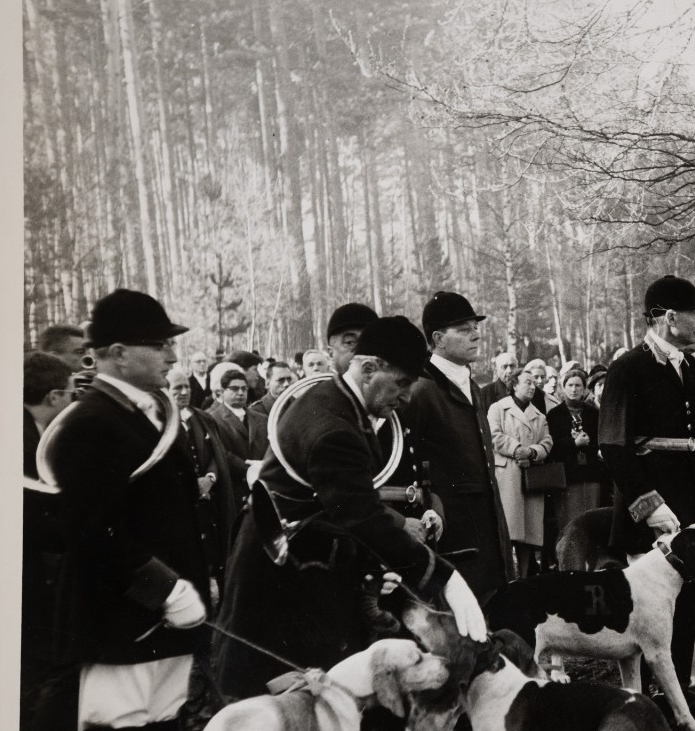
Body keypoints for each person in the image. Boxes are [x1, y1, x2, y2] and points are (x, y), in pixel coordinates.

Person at [213, 316, 488, 701]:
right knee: (280, 701)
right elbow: (360, 515)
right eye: (402, 384)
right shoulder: (335, 428)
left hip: (301, 562)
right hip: (279, 573)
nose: (407, 397)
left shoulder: (340, 405)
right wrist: (443, 576)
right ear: (369, 368)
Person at [43, 289, 210, 731]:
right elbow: (90, 530)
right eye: (159, 345)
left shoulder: (151, 412)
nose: (171, 356)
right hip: (121, 628)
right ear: (115, 353)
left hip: (164, 627)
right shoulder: (91, 422)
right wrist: (163, 587)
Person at [598, 274, 695, 719]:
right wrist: (649, 505)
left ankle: (679, 697)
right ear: (670, 318)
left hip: (691, 504)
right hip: (650, 507)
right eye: (694, 313)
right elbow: (613, 445)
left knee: (688, 600)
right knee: (648, 611)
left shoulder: (691, 368)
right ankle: (642, 703)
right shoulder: (628, 367)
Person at [402, 291, 514, 603]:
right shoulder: (421, 390)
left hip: (488, 538)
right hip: (451, 541)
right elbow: (406, 465)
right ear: (438, 338)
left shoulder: (472, 387)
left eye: (475, 327)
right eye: (463, 330)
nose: (476, 334)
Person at [19, 351, 82, 731]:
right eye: (72, 392)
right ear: (55, 394)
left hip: (38, 569)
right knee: (56, 667)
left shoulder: (37, 432)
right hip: (26, 572)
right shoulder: (16, 438)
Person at [167, 368, 239, 592]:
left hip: (210, 503)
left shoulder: (203, 418)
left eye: (186, 386)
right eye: (177, 388)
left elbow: (216, 454)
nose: (183, 392)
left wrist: (210, 477)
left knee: (215, 551)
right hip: (183, 505)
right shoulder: (161, 424)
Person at [488, 366, 554, 579]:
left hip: (531, 478)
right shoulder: (498, 409)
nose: (533, 386)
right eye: (528, 381)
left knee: (529, 532)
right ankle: (506, 575)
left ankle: (523, 577)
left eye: (535, 382)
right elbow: (493, 436)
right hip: (507, 476)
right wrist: (517, 449)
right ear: (514, 384)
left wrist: (532, 452)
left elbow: (547, 441)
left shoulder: (539, 415)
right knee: (508, 530)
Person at [546, 367, 607, 548]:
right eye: (570, 385)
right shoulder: (555, 415)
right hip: (567, 476)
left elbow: (601, 441)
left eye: (578, 386)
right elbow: (551, 445)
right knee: (568, 522)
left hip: (591, 474)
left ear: (585, 389)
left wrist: (589, 443)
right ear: (564, 388)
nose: (574, 389)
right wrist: (573, 444)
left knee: (591, 517)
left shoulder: (593, 413)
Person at [245, 360, 296, 458]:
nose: (286, 384)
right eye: (280, 380)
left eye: (289, 379)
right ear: (267, 383)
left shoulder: (299, 405)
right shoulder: (255, 411)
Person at [204, 365, 252, 466]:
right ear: (222, 392)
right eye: (234, 389)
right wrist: (251, 470)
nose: (241, 393)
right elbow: (221, 453)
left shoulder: (261, 418)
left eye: (244, 389)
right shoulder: (212, 418)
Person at [325, 302, 378, 375]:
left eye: (369, 341)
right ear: (331, 353)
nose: (362, 350)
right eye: (350, 342)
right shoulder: (323, 386)